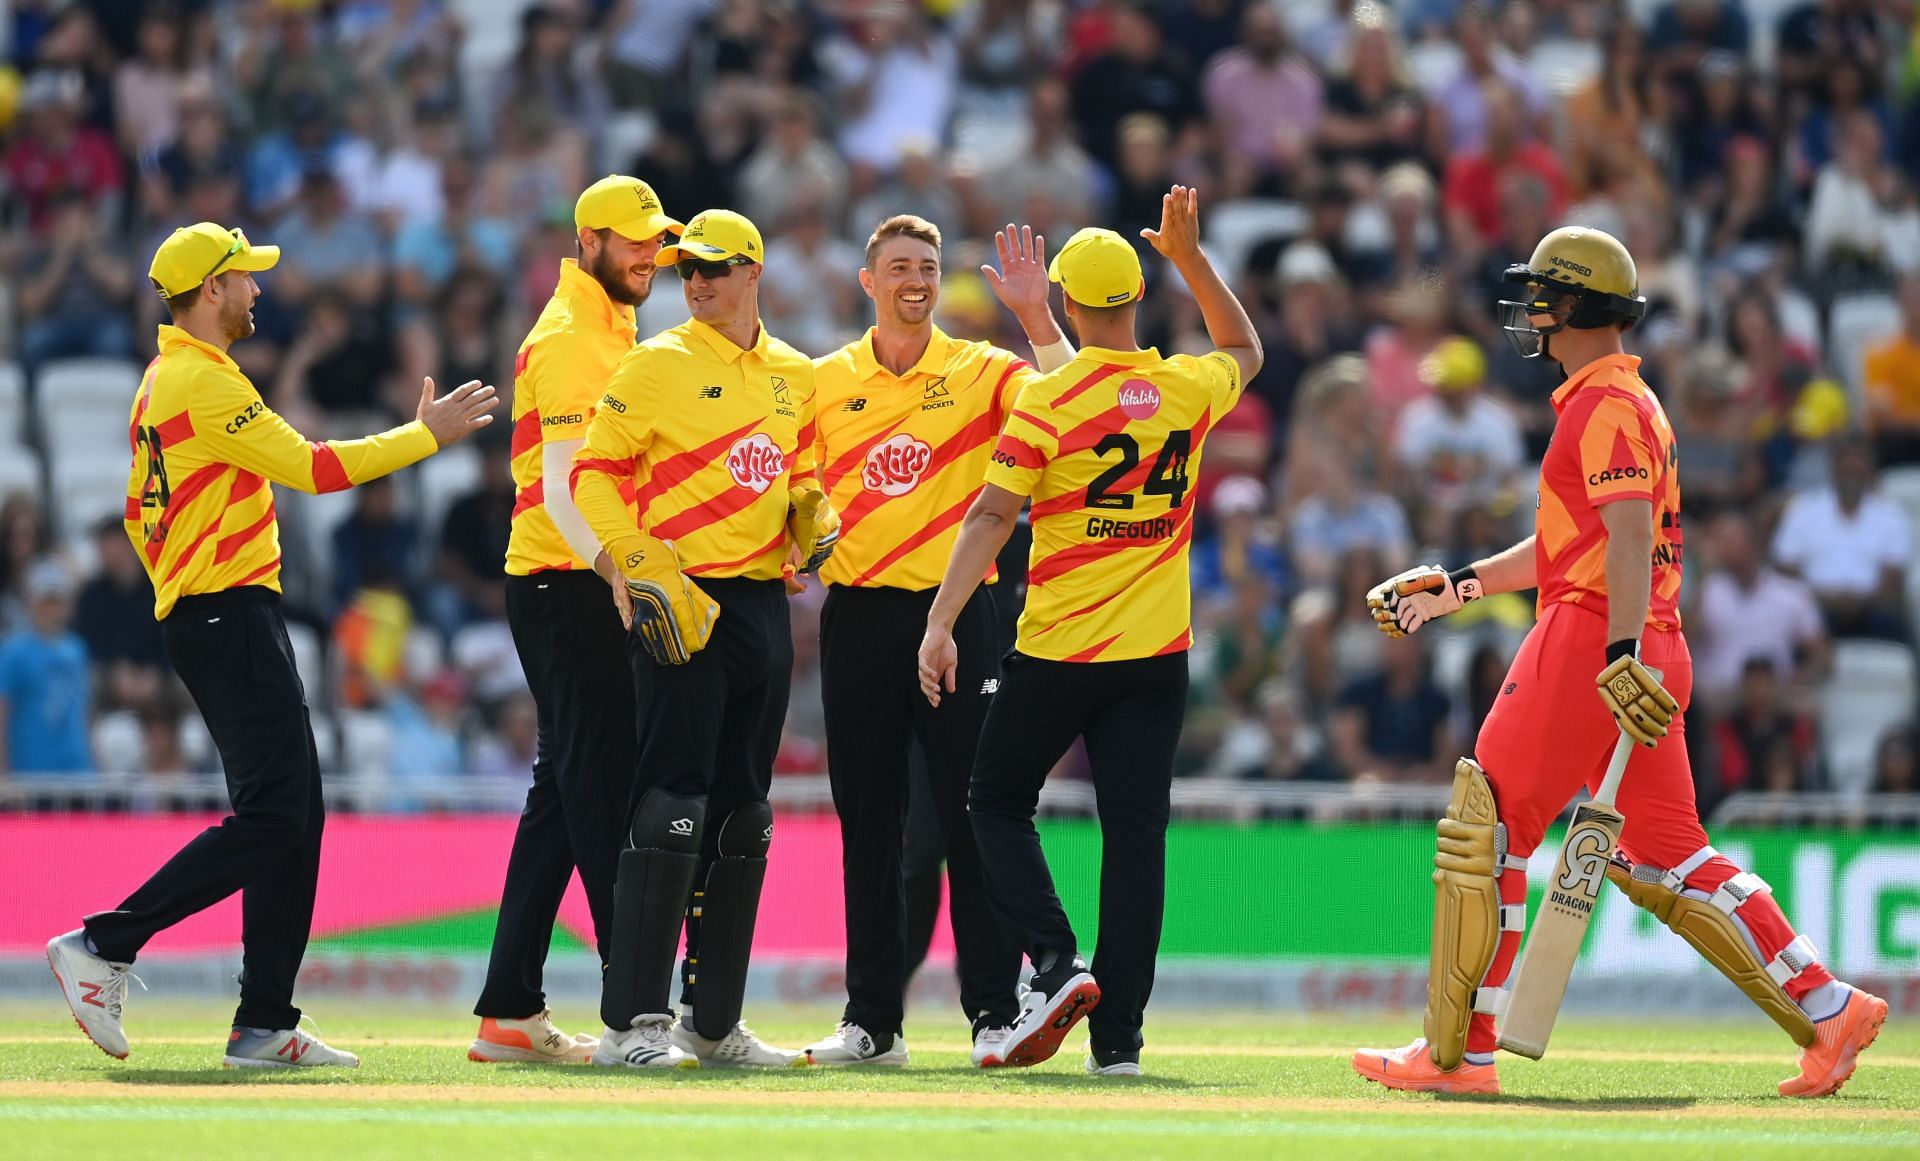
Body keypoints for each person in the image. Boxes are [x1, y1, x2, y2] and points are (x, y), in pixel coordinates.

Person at [1352, 226, 1885, 1098]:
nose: (1530, 312)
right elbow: (1582, 540)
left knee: (1488, 827)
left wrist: (1617, 650)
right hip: (1643, 640)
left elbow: (1629, 533)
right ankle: (1827, 1006)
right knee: (1673, 856)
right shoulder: (1624, 400)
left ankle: (1459, 1055)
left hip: (1594, 642)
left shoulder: (1603, 406)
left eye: (1540, 296)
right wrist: (1457, 587)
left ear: (1570, 305)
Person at [46, 220, 498, 1069]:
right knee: (279, 815)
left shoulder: (164, 380)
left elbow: (144, 519)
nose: (259, 289)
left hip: (215, 611)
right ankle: (106, 943)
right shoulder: (205, 385)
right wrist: (425, 435)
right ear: (211, 289)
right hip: (226, 614)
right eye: (245, 277)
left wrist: (183, 582)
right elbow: (316, 470)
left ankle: (264, 1020)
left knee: (296, 815)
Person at [917, 186, 1263, 1076]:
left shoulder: (1045, 400)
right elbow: (1244, 348)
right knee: (1136, 839)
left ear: (1068, 302)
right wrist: (1191, 256)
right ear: (1135, 300)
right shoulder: (1185, 389)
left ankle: (1057, 961)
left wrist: (942, 619)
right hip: (1155, 659)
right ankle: (1120, 1045)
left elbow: (993, 517)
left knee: (995, 801)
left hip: (1059, 649)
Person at [799, 217, 1074, 1068]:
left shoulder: (985, 371)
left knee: (969, 819)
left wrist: (1037, 318)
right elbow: (791, 488)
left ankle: (994, 1013)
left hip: (962, 616)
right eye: (899, 267)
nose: (916, 279)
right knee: (868, 821)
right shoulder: (820, 381)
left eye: (928, 265)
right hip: (862, 615)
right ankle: (871, 1022)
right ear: (867, 282)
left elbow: (1072, 398)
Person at [572, 208, 833, 1070]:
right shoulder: (656, 363)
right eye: (687, 269)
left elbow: (803, 472)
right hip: (683, 597)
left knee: (742, 817)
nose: (696, 282)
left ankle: (713, 1024)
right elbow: (592, 473)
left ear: (753, 271)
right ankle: (632, 1026)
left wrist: (811, 508)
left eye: (715, 269)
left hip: (762, 603)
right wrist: (637, 563)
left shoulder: (796, 371)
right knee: (671, 805)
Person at [468, 176, 682, 1065]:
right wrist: (617, 569)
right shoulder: (566, 340)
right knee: (600, 796)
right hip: (569, 584)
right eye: (633, 240)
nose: (649, 254)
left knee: (563, 795)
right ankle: (633, 1015)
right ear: (587, 240)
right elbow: (561, 489)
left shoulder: (611, 328)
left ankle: (511, 1008)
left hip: (579, 582)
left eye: (655, 240)